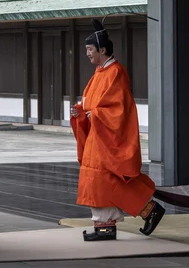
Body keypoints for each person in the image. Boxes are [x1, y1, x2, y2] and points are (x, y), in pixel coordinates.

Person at [70, 19, 165, 242]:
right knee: (100, 180)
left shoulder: (116, 72)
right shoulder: (100, 72)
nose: (88, 54)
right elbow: (90, 104)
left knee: (106, 181)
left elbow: (119, 107)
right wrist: (81, 113)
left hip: (107, 137)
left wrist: (97, 114)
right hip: (98, 136)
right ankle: (144, 211)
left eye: (90, 49)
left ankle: (112, 224)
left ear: (102, 49)